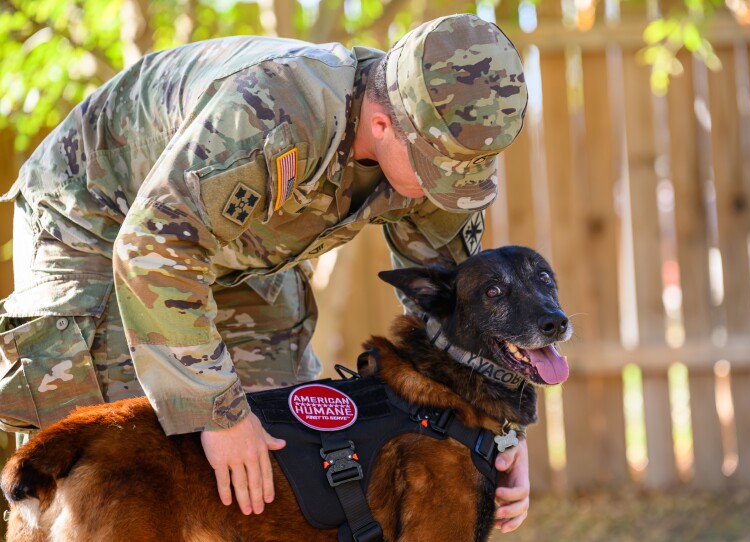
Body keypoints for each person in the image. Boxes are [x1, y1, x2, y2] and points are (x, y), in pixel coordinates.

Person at [0, 13, 530, 533]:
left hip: (239, 243)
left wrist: (496, 434)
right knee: (115, 466)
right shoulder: (270, 113)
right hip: (97, 218)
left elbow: (462, 317)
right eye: (442, 170)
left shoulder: (439, 143)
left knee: (291, 467)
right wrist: (216, 412)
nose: (453, 189)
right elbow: (154, 245)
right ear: (382, 124)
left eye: (472, 172)